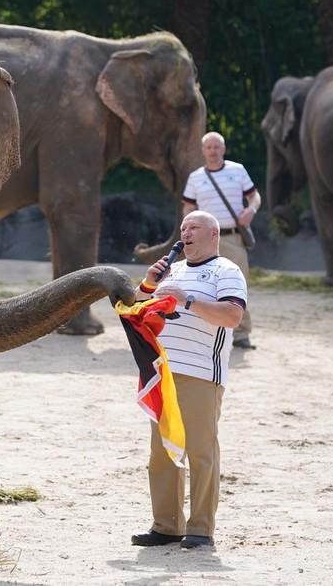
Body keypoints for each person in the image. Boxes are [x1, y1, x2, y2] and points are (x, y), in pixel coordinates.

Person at [130, 210, 247, 550]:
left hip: (201, 374)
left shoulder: (226, 271)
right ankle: (166, 526)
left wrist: (188, 300)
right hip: (162, 374)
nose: (186, 232)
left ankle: (200, 529)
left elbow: (233, 316)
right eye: (183, 227)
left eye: (194, 227)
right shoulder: (172, 271)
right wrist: (148, 285)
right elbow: (135, 309)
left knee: (200, 451)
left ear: (213, 235)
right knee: (162, 452)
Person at [180, 132, 259, 349]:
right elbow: (188, 206)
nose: (213, 151)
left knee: (239, 281)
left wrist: (251, 210)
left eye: (216, 147)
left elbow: (254, 196)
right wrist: (188, 228)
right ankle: (208, 328)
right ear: (203, 151)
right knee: (205, 283)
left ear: (223, 149)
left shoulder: (238, 170)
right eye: (208, 147)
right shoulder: (196, 177)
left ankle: (242, 333)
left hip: (232, 236)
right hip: (205, 240)